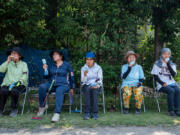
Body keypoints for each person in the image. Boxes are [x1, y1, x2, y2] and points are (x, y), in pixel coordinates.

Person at [37, 50, 75, 122]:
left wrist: (72, 87)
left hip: (64, 85)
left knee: (59, 90)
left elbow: (71, 76)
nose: (54, 56)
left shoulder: (67, 65)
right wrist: (45, 70)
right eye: (53, 55)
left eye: (56, 55)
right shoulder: (51, 65)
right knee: (42, 87)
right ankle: (42, 107)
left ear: (61, 56)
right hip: (52, 84)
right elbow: (46, 77)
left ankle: (57, 113)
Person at [0, 47, 28, 117]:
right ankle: (1, 109)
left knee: (14, 91)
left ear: (19, 56)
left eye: (15, 54)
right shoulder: (8, 63)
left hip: (20, 84)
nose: (12, 55)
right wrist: (7, 61)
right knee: (2, 91)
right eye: (12, 54)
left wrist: (19, 82)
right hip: (7, 84)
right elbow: (1, 70)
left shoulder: (23, 64)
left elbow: (25, 75)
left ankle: (14, 109)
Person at [151, 48, 180, 116]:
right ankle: (170, 110)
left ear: (170, 55)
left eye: (168, 54)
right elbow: (155, 76)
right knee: (171, 91)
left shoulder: (172, 64)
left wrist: (168, 64)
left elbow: (173, 75)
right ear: (161, 55)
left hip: (171, 83)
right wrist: (162, 83)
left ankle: (178, 110)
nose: (166, 56)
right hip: (161, 84)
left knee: (178, 90)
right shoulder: (157, 63)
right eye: (164, 54)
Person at [81, 52, 103, 120]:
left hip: (96, 85)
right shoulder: (83, 68)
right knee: (87, 90)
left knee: (94, 91)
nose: (89, 61)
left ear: (93, 60)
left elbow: (99, 78)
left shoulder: (98, 68)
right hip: (86, 85)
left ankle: (95, 113)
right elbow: (83, 81)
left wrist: (97, 85)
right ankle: (87, 113)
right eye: (87, 59)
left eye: (90, 59)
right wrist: (84, 75)